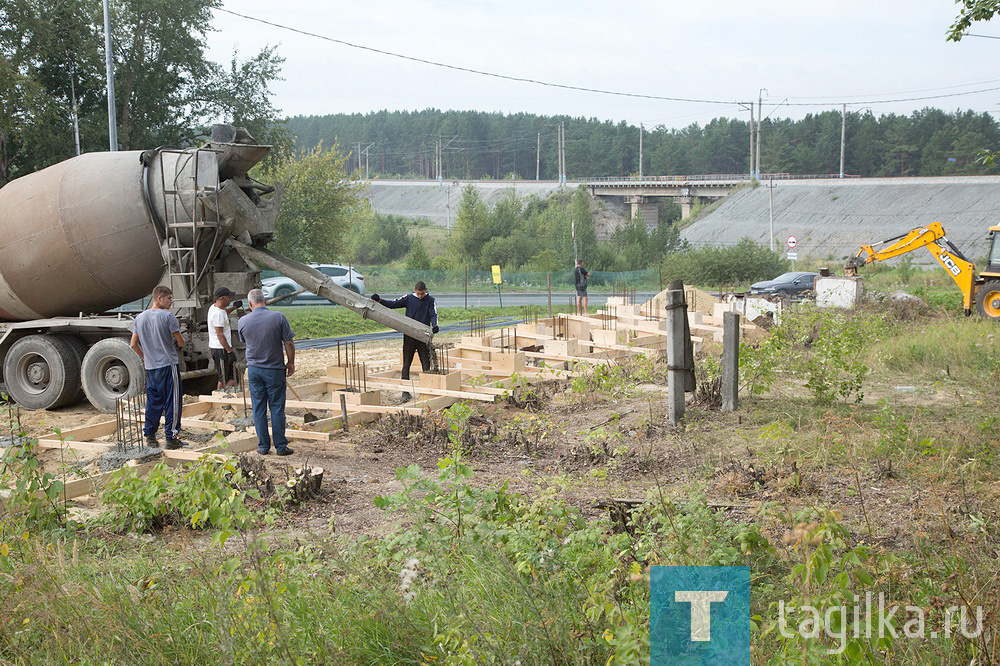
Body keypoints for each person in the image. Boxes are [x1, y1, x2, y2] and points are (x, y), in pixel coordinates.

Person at [237, 288, 295, 456]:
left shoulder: (243, 321)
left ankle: (263, 446)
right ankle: (281, 446)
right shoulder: (278, 317)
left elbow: (245, 341)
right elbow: (288, 342)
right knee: (277, 408)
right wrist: (290, 362)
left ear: (250, 303)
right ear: (265, 300)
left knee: (258, 408)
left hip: (254, 370)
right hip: (274, 370)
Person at [130, 285, 185, 449]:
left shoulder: (139, 318)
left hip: (151, 367)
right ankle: (171, 437)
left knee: (153, 402)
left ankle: (150, 436)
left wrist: (145, 356)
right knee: (173, 402)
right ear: (159, 298)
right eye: (169, 298)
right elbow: (181, 342)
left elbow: (133, 344)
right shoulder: (168, 316)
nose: (171, 301)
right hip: (168, 365)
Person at [371, 281, 439, 402]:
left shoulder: (430, 300)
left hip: (423, 337)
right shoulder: (408, 298)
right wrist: (379, 300)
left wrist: (435, 325)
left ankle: (427, 390)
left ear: (426, 291)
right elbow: (393, 304)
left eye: (422, 294)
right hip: (409, 337)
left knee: (426, 364)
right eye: (418, 294)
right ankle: (405, 392)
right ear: (415, 290)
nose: (420, 296)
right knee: (406, 364)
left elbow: (433, 314)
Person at [208, 287, 240, 390]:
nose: (231, 299)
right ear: (222, 298)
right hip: (220, 349)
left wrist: (234, 307)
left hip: (219, 348)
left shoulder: (214, 308)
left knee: (233, 376)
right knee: (223, 377)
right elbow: (220, 334)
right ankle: (220, 395)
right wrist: (229, 351)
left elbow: (224, 313)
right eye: (229, 297)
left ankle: (224, 394)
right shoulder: (218, 314)